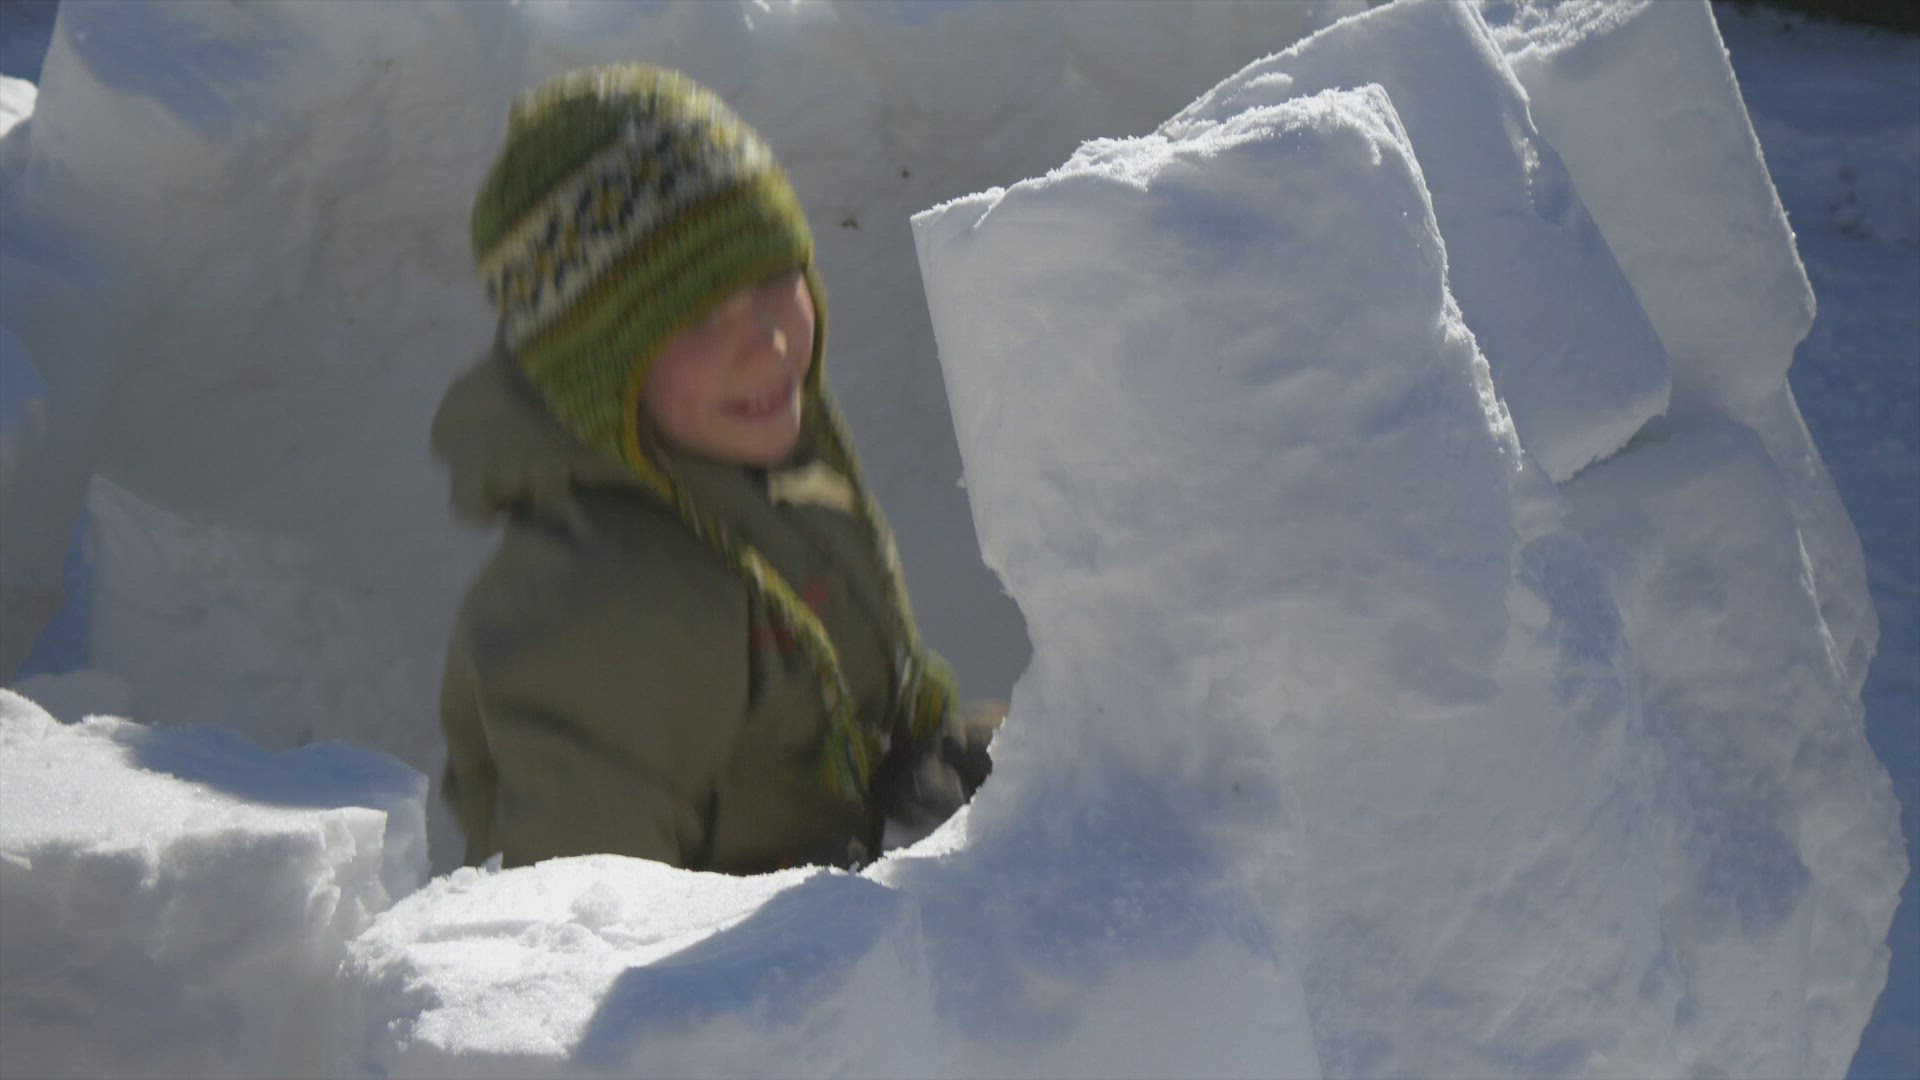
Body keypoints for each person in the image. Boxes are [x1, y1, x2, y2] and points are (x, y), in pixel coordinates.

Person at [431, 64, 996, 872]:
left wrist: (942, 760)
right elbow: (587, 924)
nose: (767, 342)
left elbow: (859, 712)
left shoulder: (770, 482)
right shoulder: (603, 607)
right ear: (596, 369)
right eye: (697, 318)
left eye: (772, 278)